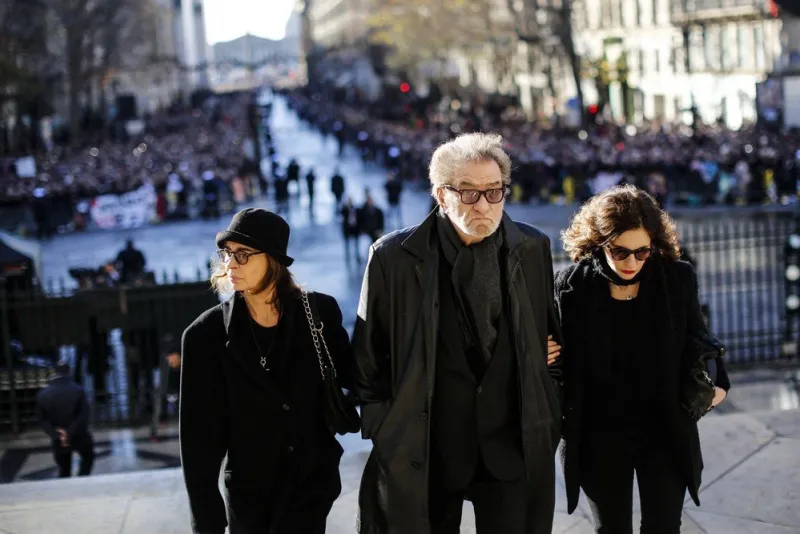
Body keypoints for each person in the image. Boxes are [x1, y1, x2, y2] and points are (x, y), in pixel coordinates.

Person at [353, 133, 564, 533]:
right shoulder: (393, 258)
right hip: (428, 446)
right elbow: (367, 354)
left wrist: (547, 395)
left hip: (510, 443)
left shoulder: (532, 247)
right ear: (440, 194)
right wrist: (384, 427)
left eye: (494, 192)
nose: (483, 204)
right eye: (468, 193)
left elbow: (546, 330)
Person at [554, 184, 730, 533]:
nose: (632, 262)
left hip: (663, 427)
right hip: (599, 432)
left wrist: (717, 382)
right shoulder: (572, 286)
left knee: (664, 526)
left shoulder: (676, 277)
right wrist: (546, 354)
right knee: (612, 528)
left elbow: (698, 335)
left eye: (642, 251)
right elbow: (562, 360)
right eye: (619, 252)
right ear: (598, 242)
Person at [179, 208, 355, 534]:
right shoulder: (205, 336)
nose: (230, 264)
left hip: (311, 484)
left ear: (273, 259)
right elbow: (198, 443)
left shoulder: (319, 313)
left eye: (243, 255)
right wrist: (207, 522)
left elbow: (356, 378)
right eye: (227, 254)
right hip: (249, 495)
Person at [36, 361, 95, 478]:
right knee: (88, 457)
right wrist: (69, 432)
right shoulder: (78, 390)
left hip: (58, 436)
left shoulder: (43, 394)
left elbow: (42, 419)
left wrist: (57, 435)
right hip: (79, 434)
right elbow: (83, 414)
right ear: (69, 371)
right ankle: (82, 479)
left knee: (64, 468)